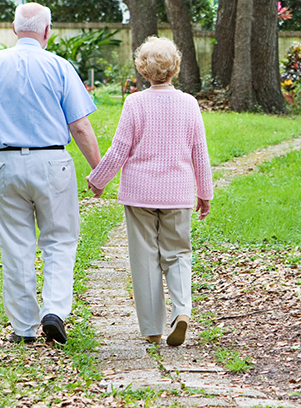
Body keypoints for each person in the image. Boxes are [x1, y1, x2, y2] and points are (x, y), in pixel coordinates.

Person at [0, 3, 102, 345]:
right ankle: (53, 311)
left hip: (3, 165)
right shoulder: (59, 66)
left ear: (13, 28)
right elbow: (80, 126)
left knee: (16, 245)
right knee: (60, 240)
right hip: (52, 164)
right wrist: (100, 169)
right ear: (47, 31)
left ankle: (23, 328)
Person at [88, 37, 212, 347]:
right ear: (176, 68)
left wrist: (98, 180)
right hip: (179, 192)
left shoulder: (135, 103)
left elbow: (119, 150)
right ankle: (182, 311)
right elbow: (200, 151)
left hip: (140, 193)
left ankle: (152, 329)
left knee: (144, 257)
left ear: (143, 69)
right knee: (178, 253)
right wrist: (205, 191)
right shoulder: (189, 103)